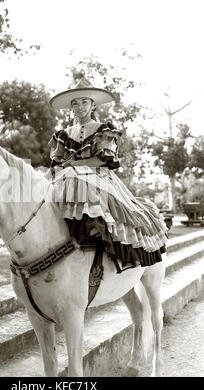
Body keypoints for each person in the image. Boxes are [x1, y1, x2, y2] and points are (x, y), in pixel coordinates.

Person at [48, 78, 168, 273]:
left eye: (84, 102)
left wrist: (74, 164)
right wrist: (59, 169)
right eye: (75, 103)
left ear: (93, 104)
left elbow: (102, 161)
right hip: (68, 175)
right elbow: (57, 162)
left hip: (97, 175)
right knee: (43, 190)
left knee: (81, 184)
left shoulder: (103, 129)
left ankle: (103, 246)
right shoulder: (63, 134)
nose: (79, 107)